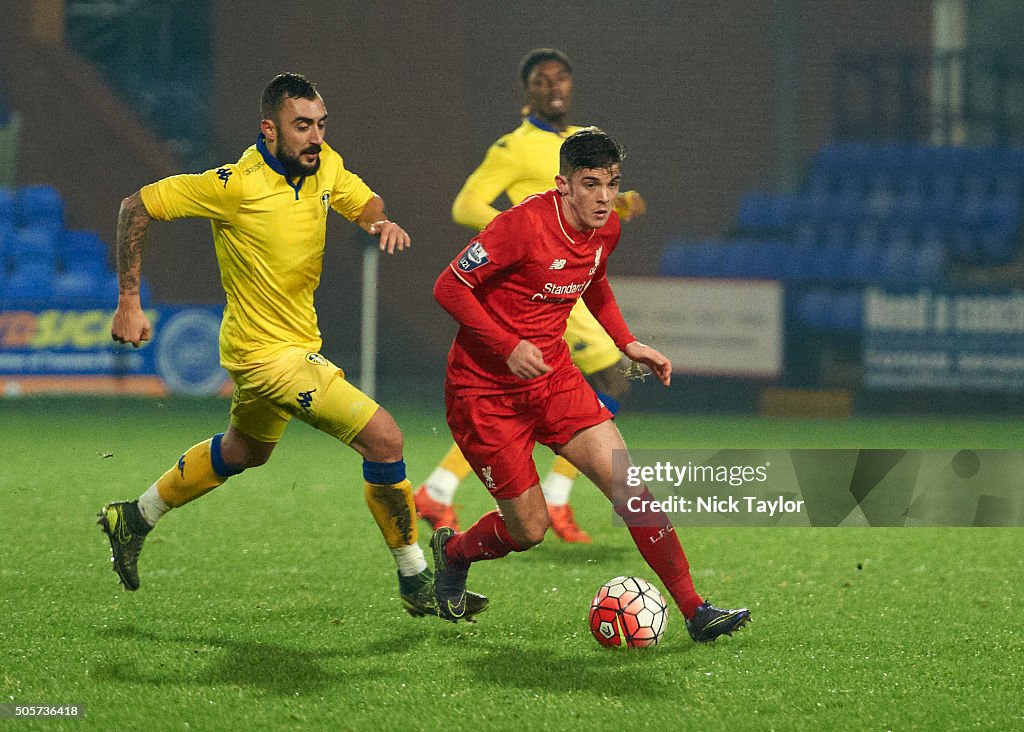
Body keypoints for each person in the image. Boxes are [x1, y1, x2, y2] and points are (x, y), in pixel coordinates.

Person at [97, 72, 486, 621]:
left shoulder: (323, 164)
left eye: (321, 125)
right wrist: (129, 300)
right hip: (266, 357)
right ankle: (417, 578)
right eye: (302, 126)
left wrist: (380, 222)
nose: (315, 137)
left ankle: (133, 517)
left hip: (292, 345)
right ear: (270, 129)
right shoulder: (233, 184)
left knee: (245, 452)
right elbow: (134, 207)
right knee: (385, 438)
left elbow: (362, 198)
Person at [428, 127, 750, 642]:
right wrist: (508, 344)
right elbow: (449, 286)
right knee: (528, 530)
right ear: (563, 184)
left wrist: (627, 343)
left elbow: (594, 282)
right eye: (591, 183)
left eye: (613, 183)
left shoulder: (607, 228)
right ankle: (453, 553)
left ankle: (696, 611)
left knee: (633, 491)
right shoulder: (520, 227)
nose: (604, 197)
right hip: (484, 393)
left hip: (554, 380)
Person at [414, 48, 646, 543]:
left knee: (588, 389)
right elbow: (465, 204)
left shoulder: (579, 143)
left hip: (570, 279)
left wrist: (619, 204)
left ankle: (444, 486)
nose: (555, 87)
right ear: (527, 92)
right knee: (607, 381)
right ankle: (550, 500)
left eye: (562, 77)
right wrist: (515, 238)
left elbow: (586, 206)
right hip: (540, 283)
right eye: (542, 81)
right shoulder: (513, 147)